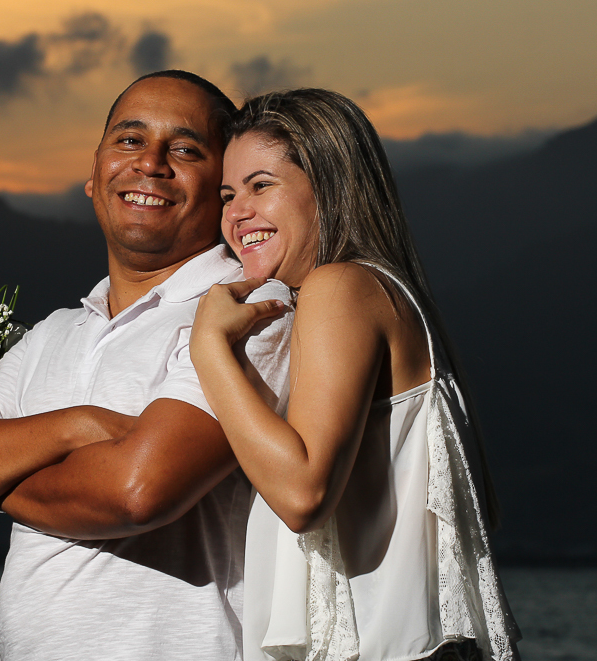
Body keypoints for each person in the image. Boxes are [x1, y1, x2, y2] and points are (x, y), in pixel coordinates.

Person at [0, 70, 293, 661]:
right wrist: (77, 426)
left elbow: (136, 492)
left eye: (185, 150)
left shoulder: (248, 308)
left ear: (223, 189)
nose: (150, 162)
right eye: (129, 140)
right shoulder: (54, 333)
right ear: (94, 172)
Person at [191, 89, 521, 661]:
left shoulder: (340, 287)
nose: (236, 213)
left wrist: (209, 348)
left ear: (329, 187)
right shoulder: (380, 291)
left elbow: (303, 493)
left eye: (261, 185)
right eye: (228, 194)